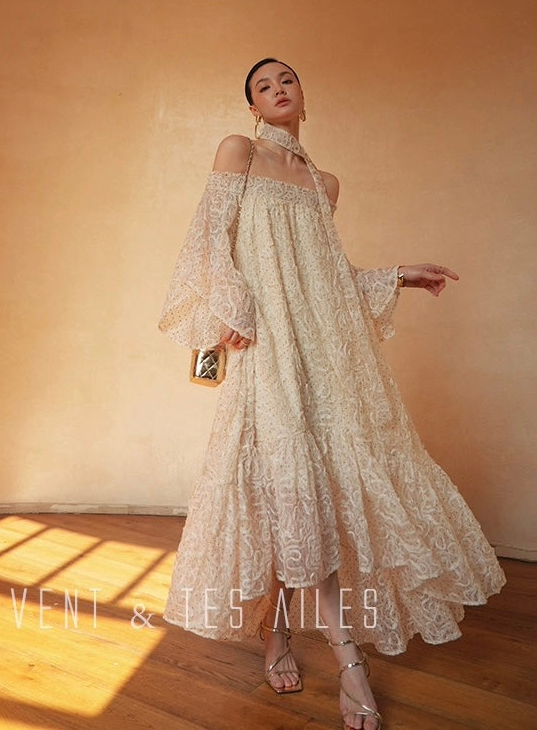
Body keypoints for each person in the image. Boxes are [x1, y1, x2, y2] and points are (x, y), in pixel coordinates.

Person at [158, 58, 506, 730]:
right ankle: (349, 661)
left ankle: (277, 634)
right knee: (291, 491)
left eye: (286, 79)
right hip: (267, 349)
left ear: (302, 94)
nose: (277, 89)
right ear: (253, 106)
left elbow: (326, 277)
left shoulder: (325, 184)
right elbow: (210, 242)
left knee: (298, 496)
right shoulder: (240, 151)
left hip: (323, 356)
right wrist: (235, 308)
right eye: (263, 86)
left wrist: (400, 274)